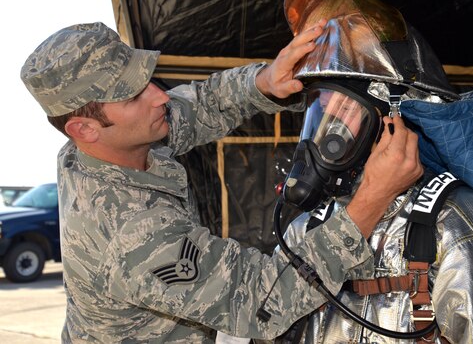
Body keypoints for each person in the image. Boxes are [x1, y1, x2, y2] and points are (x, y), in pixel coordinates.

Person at [20, 19, 423, 343]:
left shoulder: (105, 144)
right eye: (133, 97)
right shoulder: (131, 235)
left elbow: (200, 106)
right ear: (85, 128)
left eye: (147, 80)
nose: (159, 96)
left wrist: (264, 81)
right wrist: (373, 195)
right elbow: (264, 300)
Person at [231, 0, 473, 343]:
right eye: (319, 110)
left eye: (344, 110)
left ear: (392, 121)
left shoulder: (461, 227)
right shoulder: (308, 230)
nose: (326, 131)